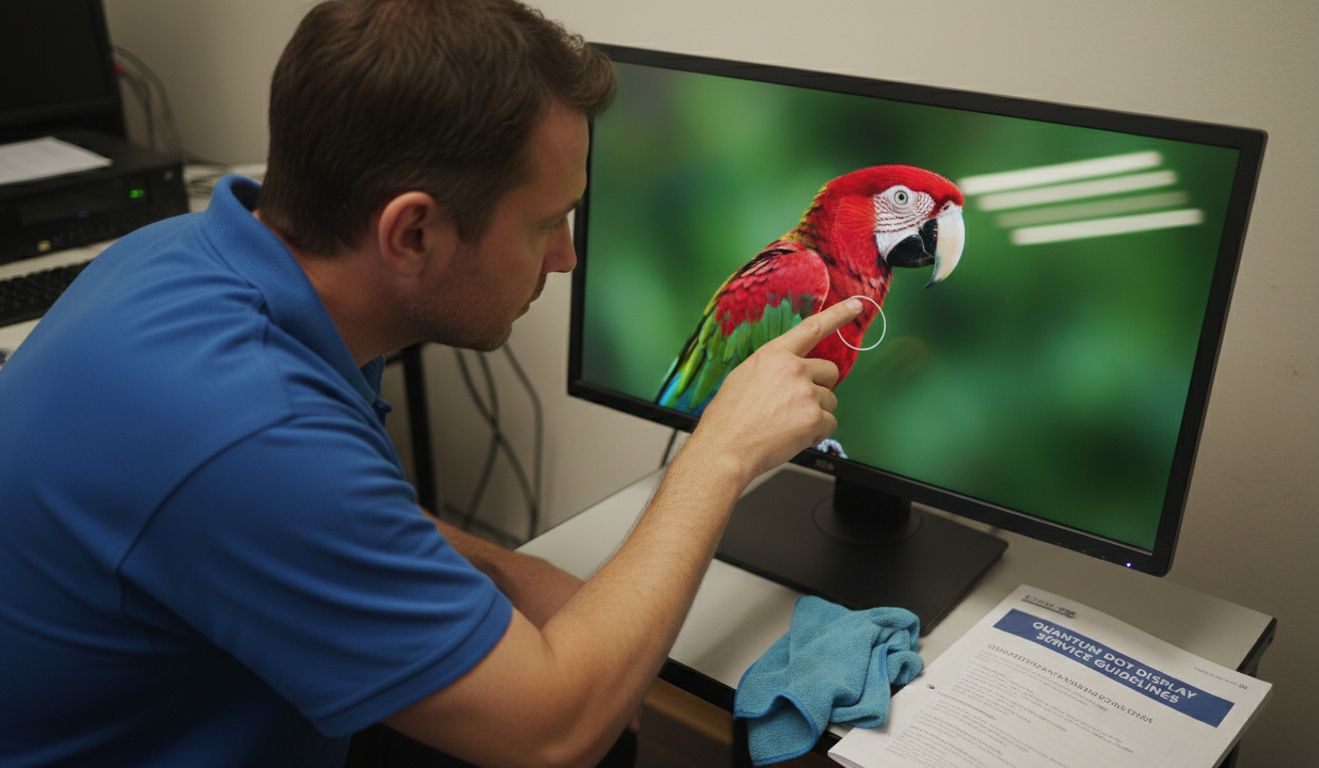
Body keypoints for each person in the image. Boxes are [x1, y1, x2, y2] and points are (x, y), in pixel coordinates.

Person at [0, 0, 863, 765]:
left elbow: (321, 512)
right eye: (547, 225)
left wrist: (508, 573)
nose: (564, 259)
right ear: (411, 234)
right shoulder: (252, 429)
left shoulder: (188, 254)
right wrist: (717, 455)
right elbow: (551, 738)